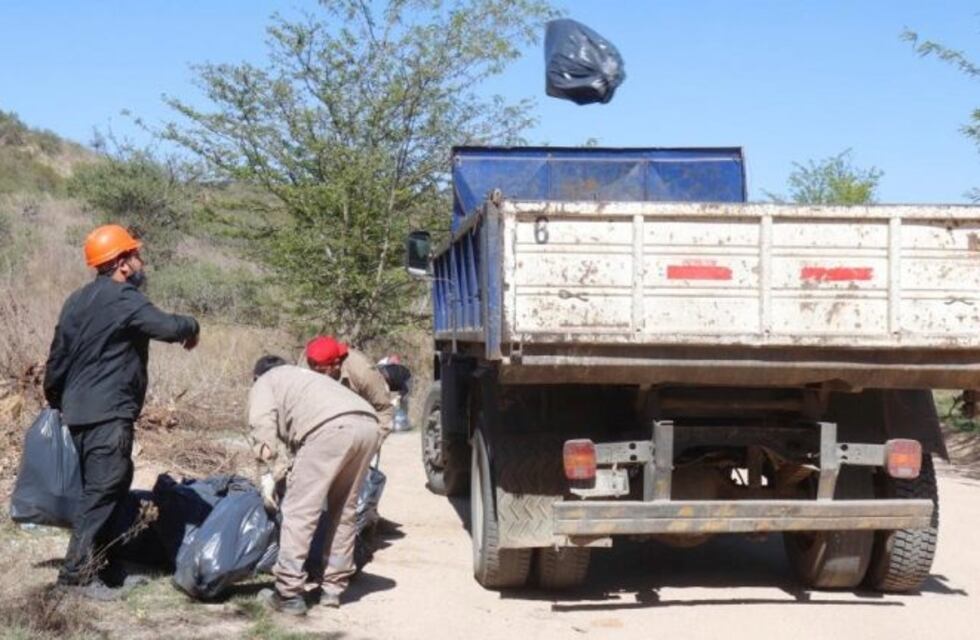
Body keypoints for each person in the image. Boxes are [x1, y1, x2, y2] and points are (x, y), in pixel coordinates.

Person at [43, 224, 199, 599]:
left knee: (111, 489)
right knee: (101, 493)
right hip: (108, 414)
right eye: (136, 255)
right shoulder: (124, 298)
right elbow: (166, 326)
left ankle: (109, 569)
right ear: (122, 263)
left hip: (78, 414)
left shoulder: (76, 301)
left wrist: (57, 400)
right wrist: (192, 326)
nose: (141, 262)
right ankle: (74, 578)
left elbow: (57, 359)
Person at [248, 356, 379, 615]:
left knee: (299, 512)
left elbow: (261, 424)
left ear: (256, 376)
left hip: (330, 429)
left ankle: (288, 593)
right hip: (368, 425)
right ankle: (332, 589)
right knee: (343, 510)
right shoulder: (305, 378)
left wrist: (265, 472)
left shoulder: (265, 382)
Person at [305, 335, 394, 441]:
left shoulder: (363, 373)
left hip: (363, 427)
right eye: (313, 369)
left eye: (321, 372)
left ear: (336, 365)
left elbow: (384, 409)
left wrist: (373, 442)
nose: (317, 375)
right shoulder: (311, 365)